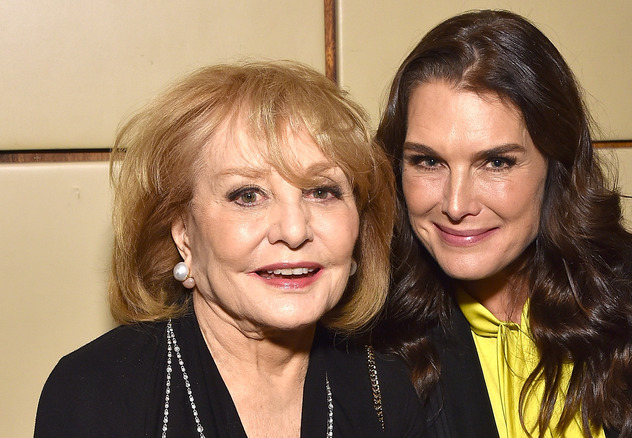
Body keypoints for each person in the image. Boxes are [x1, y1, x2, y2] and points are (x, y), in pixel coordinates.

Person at [374, 9, 632, 438]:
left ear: (556, 163)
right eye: (428, 161)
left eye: (496, 162)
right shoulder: (372, 342)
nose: (456, 204)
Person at [34, 61, 427, 437]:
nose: (293, 230)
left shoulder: (387, 394)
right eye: (248, 195)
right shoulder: (97, 391)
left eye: (322, 191)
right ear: (184, 234)